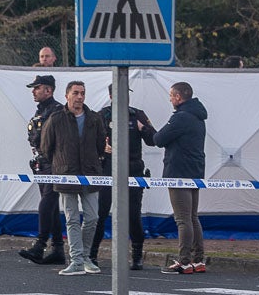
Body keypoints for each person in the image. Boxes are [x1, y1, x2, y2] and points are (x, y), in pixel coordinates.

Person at [39, 80, 107, 277]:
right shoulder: (56, 118)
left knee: (93, 217)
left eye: (82, 93)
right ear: (67, 95)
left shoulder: (94, 118)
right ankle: (76, 259)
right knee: (72, 219)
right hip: (66, 174)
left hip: (90, 174)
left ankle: (86, 257)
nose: (79, 97)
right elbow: (46, 147)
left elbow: (100, 144)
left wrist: (93, 163)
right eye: (76, 93)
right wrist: (61, 163)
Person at [90, 85, 156, 270]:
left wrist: (143, 129)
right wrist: (101, 147)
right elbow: (89, 142)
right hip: (108, 169)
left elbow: (153, 139)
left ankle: (137, 256)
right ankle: (92, 254)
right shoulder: (102, 115)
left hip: (132, 169)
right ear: (111, 96)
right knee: (100, 213)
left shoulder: (137, 115)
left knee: (133, 214)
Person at [153, 82, 208, 274]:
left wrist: (147, 128)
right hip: (195, 171)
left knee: (182, 219)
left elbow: (159, 139)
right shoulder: (198, 116)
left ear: (178, 97)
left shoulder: (181, 118)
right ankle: (199, 260)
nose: (169, 99)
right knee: (192, 217)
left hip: (178, 173)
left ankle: (184, 261)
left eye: (171, 95)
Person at [18, 74, 68, 265]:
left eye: (37, 88)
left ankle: (40, 244)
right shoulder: (42, 111)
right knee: (51, 205)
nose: (33, 91)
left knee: (47, 202)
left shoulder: (57, 111)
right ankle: (57, 249)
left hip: (54, 163)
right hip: (41, 163)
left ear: (48, 90)